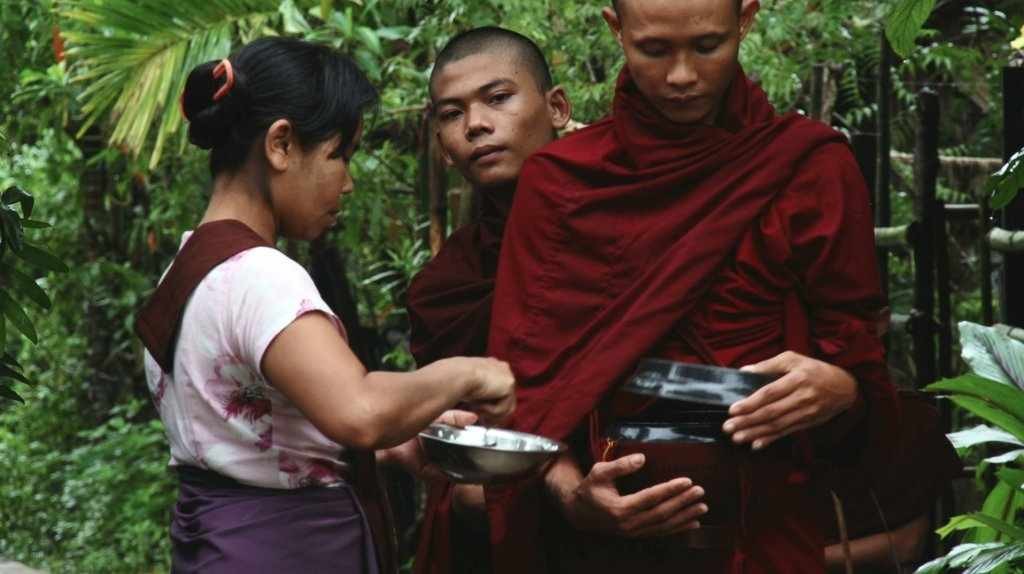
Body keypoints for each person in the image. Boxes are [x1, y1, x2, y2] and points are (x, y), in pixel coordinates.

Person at [481, 0, 906, 572]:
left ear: (745, 20)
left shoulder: (810, 166)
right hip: (602, 550)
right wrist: (570, 495)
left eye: (707, 46)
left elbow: (861, 363)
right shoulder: (562, 185)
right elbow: (522, 385)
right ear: (616, 28)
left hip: (766, 532)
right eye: (654, 49)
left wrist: (841, 386)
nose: (681, 76)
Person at [134, 37, 516, 574]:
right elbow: (358, 409)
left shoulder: (190, 266)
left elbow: (248, 439)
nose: (349, 181)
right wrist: (472, 374)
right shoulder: (260, 276)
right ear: (281, 145)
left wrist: (392, 445)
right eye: (340, 154)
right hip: (287, 550)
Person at [407, 26, 710, 574]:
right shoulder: (446, 287)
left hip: (663, 502)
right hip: (515, 530)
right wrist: (562, 483)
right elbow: (468, 434)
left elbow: (694, 376)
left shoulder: (639, 221)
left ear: (558, 106)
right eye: (452, 114)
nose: (476, 124)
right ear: (442, 145)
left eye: (498, 99)